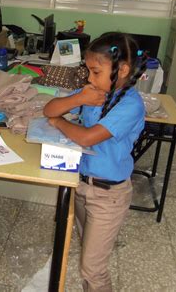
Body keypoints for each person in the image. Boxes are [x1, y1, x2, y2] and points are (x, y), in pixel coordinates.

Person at [43, 32, 147, 291]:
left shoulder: (131, 105)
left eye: (96, 71)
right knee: (85, 245)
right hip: (81, 185)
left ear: (122, 70)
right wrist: (78, 98)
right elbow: (49, 109)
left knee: (92, 267)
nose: (90, 78)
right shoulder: (94, 91)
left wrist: (60, 122)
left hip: (108, 195)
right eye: (88, 70)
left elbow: (88, 138)